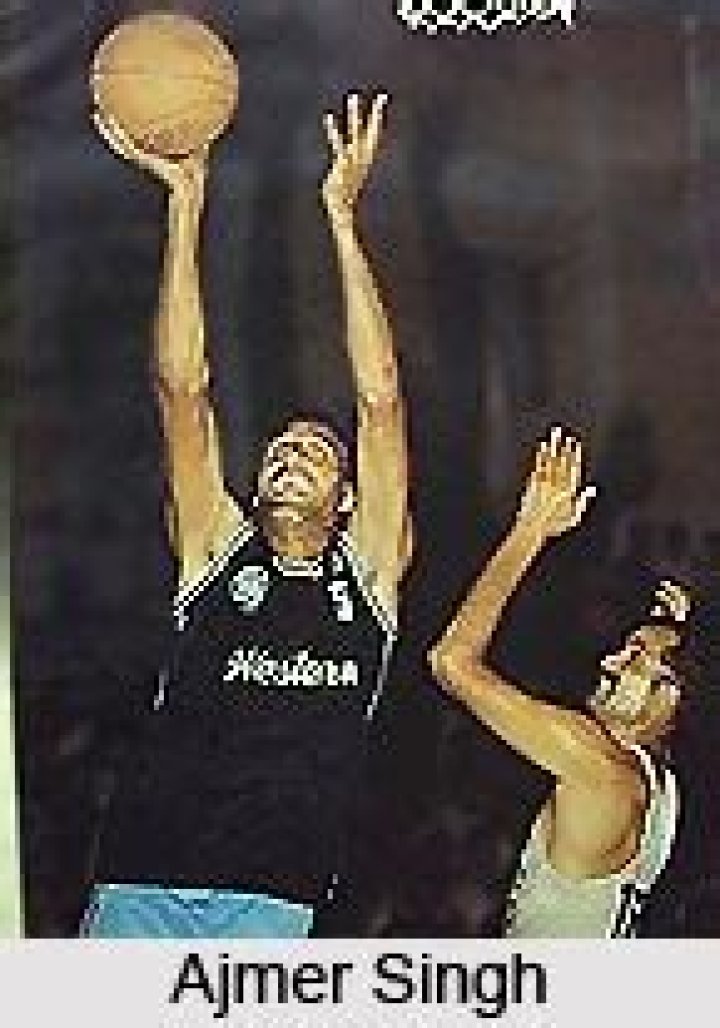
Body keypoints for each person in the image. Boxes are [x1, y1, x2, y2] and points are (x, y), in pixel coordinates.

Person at [81, 91, 412, 937]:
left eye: (316, 451)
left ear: (348, 499)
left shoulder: (370, 572)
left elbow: (380, 401)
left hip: (275, 900)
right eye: (279, 448)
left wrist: (342, 218)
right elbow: (181, 389)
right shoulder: (215, 548)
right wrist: (186, 205)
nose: (289, 453)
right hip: (141, 881)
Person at [429, 426, 690, 938]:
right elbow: (694, 672)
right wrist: (680, 628)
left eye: (635, 656)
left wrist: (530, 530)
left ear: (671, 697)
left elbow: (450, 662)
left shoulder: (597, 763)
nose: (610, 660)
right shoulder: (660, 788)